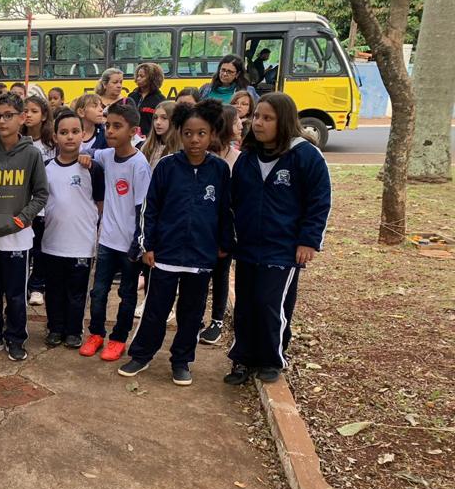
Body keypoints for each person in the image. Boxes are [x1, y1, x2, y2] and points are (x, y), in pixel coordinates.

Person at [119, 100, 233, 387]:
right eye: (188, 133)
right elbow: (150, 209)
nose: (194, 140)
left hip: (200, 257)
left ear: (211, 135)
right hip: (166, 255)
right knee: (156, 309)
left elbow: (226, 211)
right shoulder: (167, 167)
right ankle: (142, 354)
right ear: (179, 134)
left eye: (201, 134)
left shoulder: (219, 170)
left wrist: (223, 243)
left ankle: (181, 361)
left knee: (191, 314)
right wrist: (147, 246)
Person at [225, 92, 331, 385]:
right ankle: (243, 358)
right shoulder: (247, 158)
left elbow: (319, 201)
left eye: (267, 118)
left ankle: (272, 358)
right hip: (247, 248)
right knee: (245, 304)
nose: (258, 123)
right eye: (257, 116)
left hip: (283, 249)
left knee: (270, 304)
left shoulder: (305, 156)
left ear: (283, 121)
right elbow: (233, 201)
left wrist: (309, 240)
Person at [0, 92, 49, 361]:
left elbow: (40, 194)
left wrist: (21, 220)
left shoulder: (32, 154)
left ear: (22, 118)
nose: (2, 121)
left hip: (18, 237)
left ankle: (15, 338)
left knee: (15, 294)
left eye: (8, 116)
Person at [79, 102, 151, 361]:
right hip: (107, 241)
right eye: (107, 125)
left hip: (129, 244)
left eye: (117, 127)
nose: (109, 131)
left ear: (133, 131)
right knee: (98, 291)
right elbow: (82, 151)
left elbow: (143, 207)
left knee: (126, 294)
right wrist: (85, 158)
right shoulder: (106, 156)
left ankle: (119, 338)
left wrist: (138, 243)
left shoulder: (139, 165)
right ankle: (96, 333)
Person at [42, 109, 105, 349]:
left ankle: (73, 330)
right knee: (54, 290)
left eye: (75, 131)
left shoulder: (93, 169)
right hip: (52, 242)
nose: (70, 137)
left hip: (81, 244)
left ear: (83, 135)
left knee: (77, 292)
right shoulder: (46, 168)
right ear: (55, 136)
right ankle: (55, 328)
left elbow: (100, 205)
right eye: (64, 132)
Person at [198, 104, 241, 346]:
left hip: (226, 230)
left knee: (221, 274)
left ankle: (216, 321)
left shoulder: (239, 159)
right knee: (199, 276)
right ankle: (196, 319)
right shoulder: (206, 158)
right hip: (203, 228)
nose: (242, 125)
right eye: (237, 122)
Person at [22, 94, 56, 306]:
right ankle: (23, 284)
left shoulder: (51, 142)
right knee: (24, 248)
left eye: (34, 111)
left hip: (45, 207)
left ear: (44, 116)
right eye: (25, 111)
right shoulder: (18, 140)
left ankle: (37, 287)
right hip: (22, 205)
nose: (28, 115)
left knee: (40, 249)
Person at [127, 62, 166, 136]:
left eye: (142, 76)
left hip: (150, 141)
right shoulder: (132, 96)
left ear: (152, 78)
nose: (138, 78)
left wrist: (148, 137)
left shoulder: (160, 100)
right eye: (137, 76)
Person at [140, 100, 180, 168]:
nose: (158, 122)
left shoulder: (180, 150)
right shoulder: (147, 147)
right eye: (155, 118)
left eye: (164, 118)